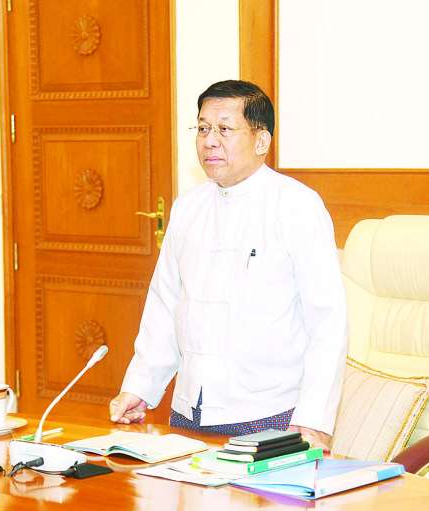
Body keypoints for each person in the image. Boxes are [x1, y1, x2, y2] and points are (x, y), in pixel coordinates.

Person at [109, 80, 346, 450]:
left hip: (269, 413)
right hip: (190, 409)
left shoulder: (297, 206)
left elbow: (327, 322)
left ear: (261, 141)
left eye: (224, 129)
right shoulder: (188, 208)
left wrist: (313, 420)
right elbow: (165, 304)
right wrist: (140, 387)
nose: (209, 141)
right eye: (203, 128)